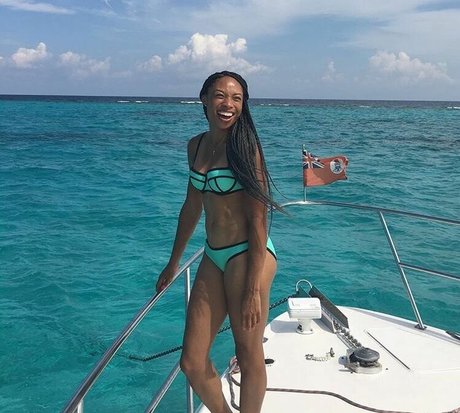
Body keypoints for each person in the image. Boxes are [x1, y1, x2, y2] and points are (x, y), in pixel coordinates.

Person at [156, 71, 280, 413]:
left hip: (248, 254)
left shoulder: (246, 149)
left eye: (237, 98)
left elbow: (258, 220)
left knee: (248, 352)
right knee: (192, 362)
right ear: (205, 99)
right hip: (213, 254)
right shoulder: (195, 146)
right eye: (221, 96)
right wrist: (173, 262)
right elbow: (191, 207)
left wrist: (253, 288)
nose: (228, 104)